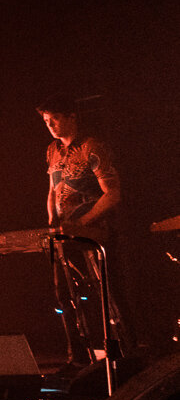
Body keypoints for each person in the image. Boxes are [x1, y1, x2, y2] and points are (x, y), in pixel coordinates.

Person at [38, 94, 125, 366]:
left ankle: (123, 354)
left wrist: (83, 223)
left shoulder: (92, 147)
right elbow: (52, 190)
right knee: (63, 295)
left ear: (71, 117)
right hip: (64, 234)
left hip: (94, 231)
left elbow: (112, 194)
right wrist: (53, 221)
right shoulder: (52, 150)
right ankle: (77, 357)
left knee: (109, 296)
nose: (50, 125)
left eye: (55, 118)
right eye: (46, 120)